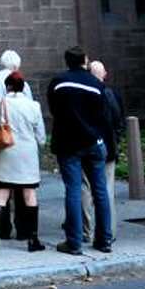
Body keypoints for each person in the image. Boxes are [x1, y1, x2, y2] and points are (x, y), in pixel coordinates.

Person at [48, 45, 113, 255]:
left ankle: (74, 241)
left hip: (68, 143)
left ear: (67, 61)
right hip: (93, 141)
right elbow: (104, 115)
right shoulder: (96, 85)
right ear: (84, 61)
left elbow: (54, 110)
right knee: (100, 191)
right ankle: (104, 240)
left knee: (73, 191)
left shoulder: (58, 83)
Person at [0, 71, 47, 253]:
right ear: (23, 87)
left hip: (6, 153)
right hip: (27, 156)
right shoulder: (34, 106)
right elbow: (41, 137)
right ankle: (32, 239)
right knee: (29, 195)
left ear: (7, 87)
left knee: (1, 195)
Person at [82, 60, 123, 244]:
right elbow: (119, 121)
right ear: (104, 74)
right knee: (107, 189)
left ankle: (87, 231)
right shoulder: (112, 94)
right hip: (108, 148)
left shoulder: (84, 93)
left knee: (85, 188)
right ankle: (109, 232)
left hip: (88, 146)